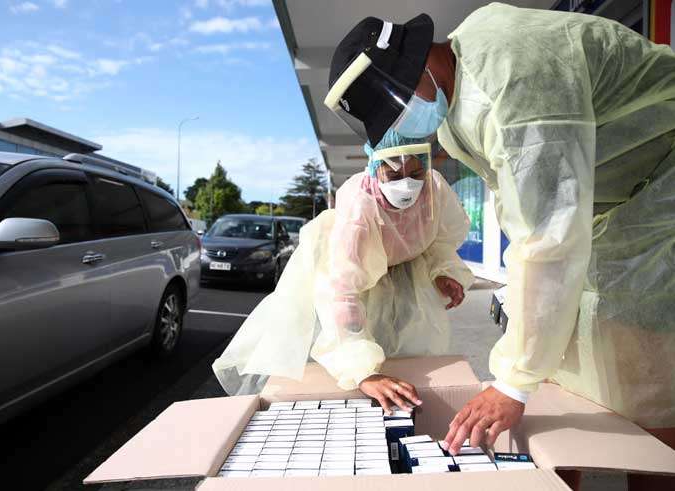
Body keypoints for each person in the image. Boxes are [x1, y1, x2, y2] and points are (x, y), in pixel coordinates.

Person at [325, 4, 675, 487]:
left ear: (421, 65)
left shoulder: (511, 81)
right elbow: (524, 210)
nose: (405, 133)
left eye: (398, 110)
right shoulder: (459, 90)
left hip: (661, 187)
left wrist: (512, 382)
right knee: (570, 366)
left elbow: (546, 234)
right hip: (611, 205)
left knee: (646, 372)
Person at [212, 133, 475, 413]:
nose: (406, 182)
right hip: (351, 275)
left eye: (416, 172)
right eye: (393, 174)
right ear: (375, 169)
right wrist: (363, 373)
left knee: (413, 358)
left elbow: (439, 240)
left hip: (407, 275)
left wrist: (443, 270)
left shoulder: (435, 189)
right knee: (348, 362)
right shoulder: (359, 205)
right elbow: (341, 291)